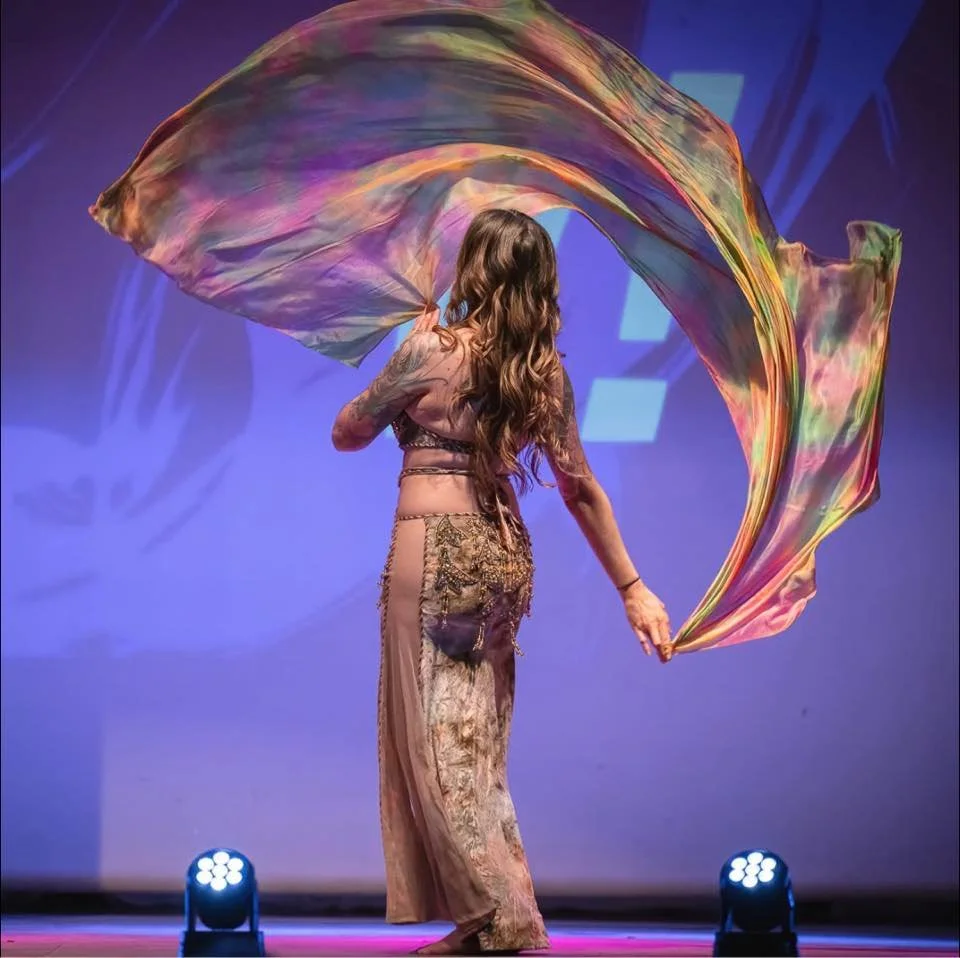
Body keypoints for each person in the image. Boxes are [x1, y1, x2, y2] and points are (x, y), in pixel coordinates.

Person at [331, 209, 672, 956]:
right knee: (478, 737)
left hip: (436, 550)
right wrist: (632, 588)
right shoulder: (542, 372)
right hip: (501, 551)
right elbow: (580, 490)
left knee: (439, 736)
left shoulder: (429, 349)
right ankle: (495, 915)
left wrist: (399, 373)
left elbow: (346, 430)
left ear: (474, 270)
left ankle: (503, 920)